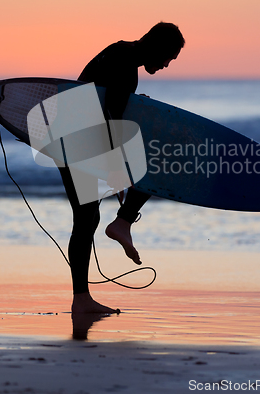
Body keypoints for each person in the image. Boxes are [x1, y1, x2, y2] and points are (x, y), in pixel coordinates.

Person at [58, 22, 185, 314]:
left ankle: (83, 295)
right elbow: (111, 118)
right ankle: (122, 224)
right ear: (157, 47)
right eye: (168, 57)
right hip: (79, 141)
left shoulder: (122, 55)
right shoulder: (125, 63)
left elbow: (107, 102)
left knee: (87, 219)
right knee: (158, 163)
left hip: (71, 135)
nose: (166, 65)